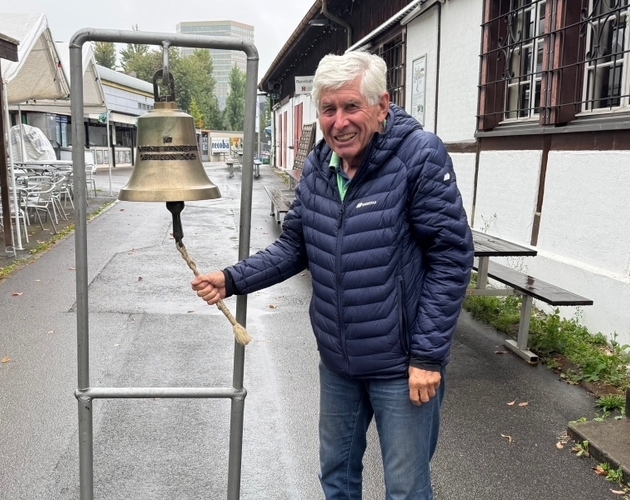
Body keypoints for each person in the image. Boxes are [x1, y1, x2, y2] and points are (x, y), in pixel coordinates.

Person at [192, 51, 473, 499]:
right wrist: (232, 278)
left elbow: (451, 257)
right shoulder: (320, 167)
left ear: (381, 106)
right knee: (336, 478)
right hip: (339, 361)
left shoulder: (419, 156)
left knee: (405, 488)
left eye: (350, 107)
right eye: (328, 109)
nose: (338, 122)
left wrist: (426, 356)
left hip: (401, 367)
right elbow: (294, 246)